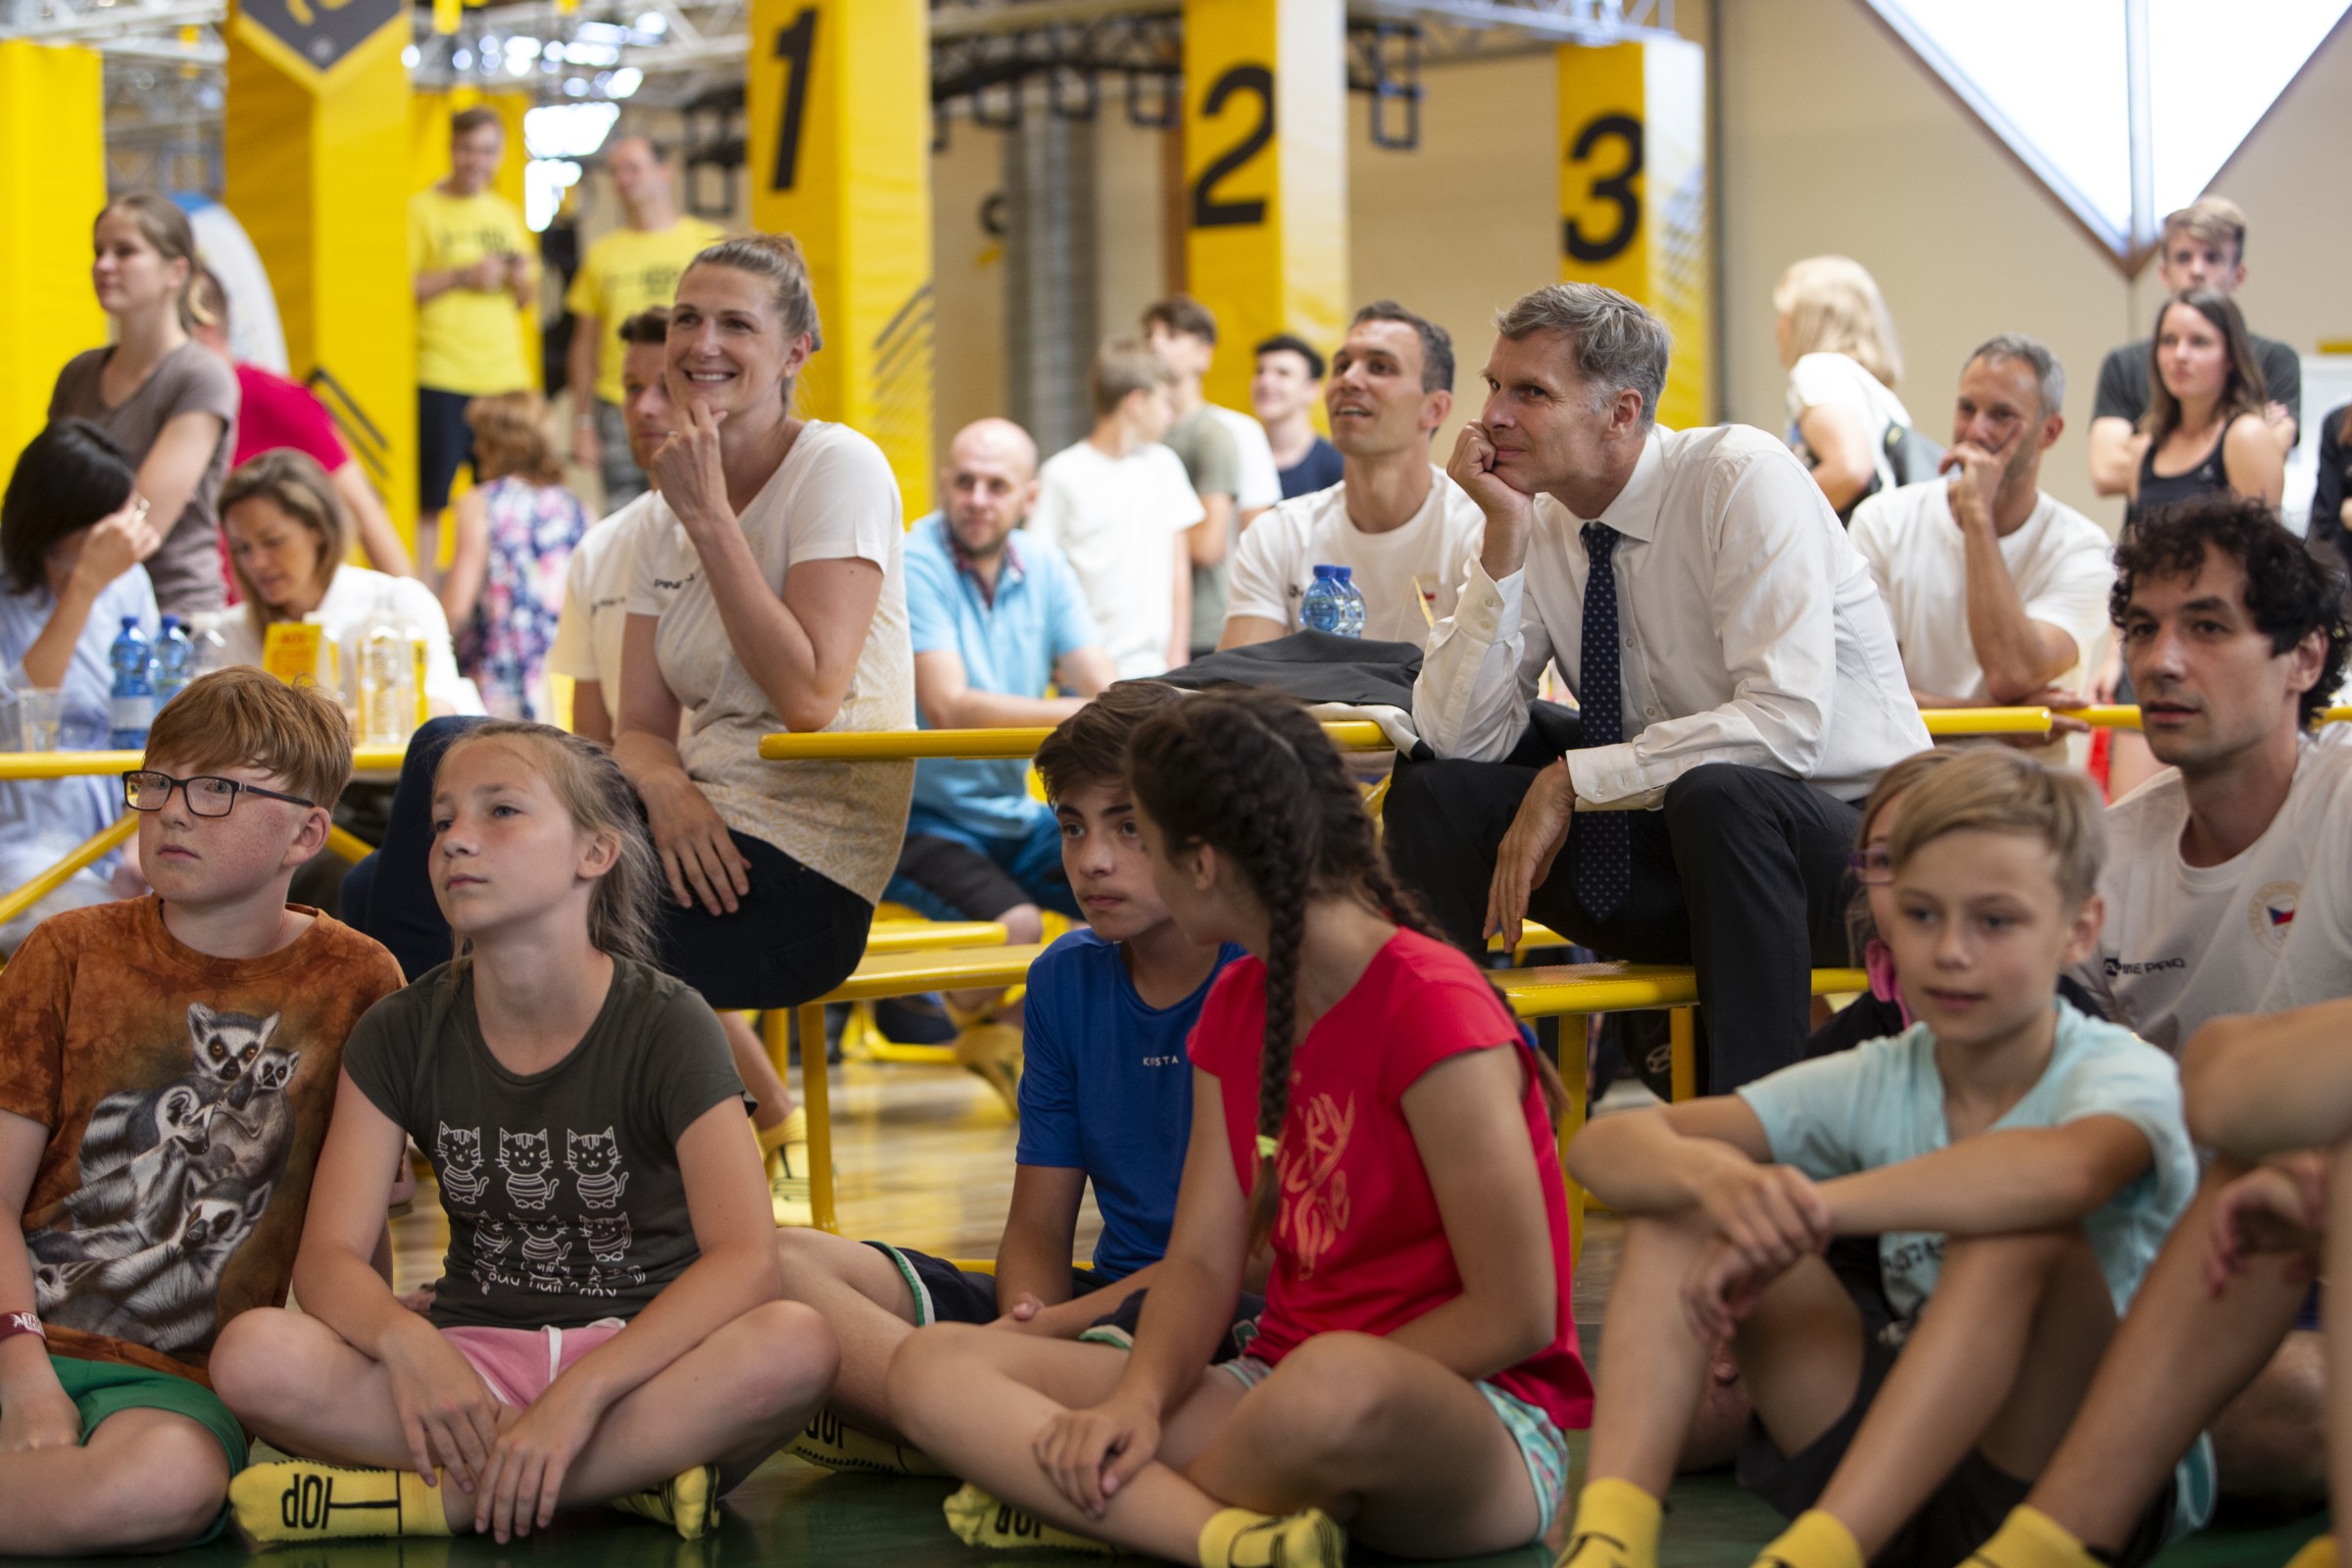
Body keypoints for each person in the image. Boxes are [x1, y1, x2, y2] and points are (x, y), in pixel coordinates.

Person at [887, 688, 1590, 1568]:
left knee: (1334, 1381)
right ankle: (1226, 1538)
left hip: (1469, 1417)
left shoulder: (1433, 1009)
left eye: (1140, 835)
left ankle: (1110, 1508)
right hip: (1272, 1378)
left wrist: (1262, 1403)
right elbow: (1201, 1264)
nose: (1103, 861)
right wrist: (1138, 1403)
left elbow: (1517, 1313)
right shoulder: (1238, 1001)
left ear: (1204, 862)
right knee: (932, 1367)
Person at [1559, 750, 2198, 1568]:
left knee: (2017, 1231)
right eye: (1923, 915)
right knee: (1681, 1198)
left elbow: (2060, 1175)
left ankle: (1822, 1549)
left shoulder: (2118, 1071)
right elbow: (1604, 1147)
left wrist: (1809, 1207)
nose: (1951, 950)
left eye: (1994, 921)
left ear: (2079, 928)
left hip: (2074, 1484)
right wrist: (1718, 1182)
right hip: (1903, 1467)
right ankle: (1609, 1542)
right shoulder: (1884, 1070)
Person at [211, 721, 836, 1545]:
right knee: (252, 1353)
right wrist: (409, 1345)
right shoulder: (398, 1031)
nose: (456, 839)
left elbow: (747, 1259)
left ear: (595, 852)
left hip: (642, 1365)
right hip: (471, 1360)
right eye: (442, 821)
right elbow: (328, 1258)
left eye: (501, 811)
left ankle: (444, 1502)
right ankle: (626, 1481)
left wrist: (583, 1395)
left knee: (795, 1343)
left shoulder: (671, 1023)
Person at [353, 233, 912, 1021]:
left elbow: (810, 696)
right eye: (688, 319)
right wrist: (667, 786)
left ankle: (424, 1072)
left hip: (797, 877)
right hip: (685, 822)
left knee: (420, 893)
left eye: (736, 324)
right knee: (427, 778)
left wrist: (709, 518)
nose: (703, 343)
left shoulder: (836, 467)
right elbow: (641, 729)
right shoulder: (662, 509)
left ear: (796, 352)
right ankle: (437, 1070)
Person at [1388, 282, 1929, 1093]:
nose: (1492, 416)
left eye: (1530, 392)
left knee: (1722, 793)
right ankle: (1456, 1097)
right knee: (1433, 787)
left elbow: (1785, 726)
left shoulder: (1740, 475)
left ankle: (1754, 1134)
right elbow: (1456, 740)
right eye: (1494, 385)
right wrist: (1503, 538)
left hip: (1854, 861)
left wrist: (1575, 779)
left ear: (1621, 412)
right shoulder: (1533, 516)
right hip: (1675, 853)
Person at [779, 683, 1243, 1473]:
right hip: (1088, 1314)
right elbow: (1037, 1224)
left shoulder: (1262, 974)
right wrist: (1031, 1324)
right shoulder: (1065, 976)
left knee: (1270, 1382)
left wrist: (1035, 1343)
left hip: (1219, 1320)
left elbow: (1246, 1264)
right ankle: (995, 1433)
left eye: (1129, 826)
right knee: (785, 1263)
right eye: (1072, 826)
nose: (1091, 860)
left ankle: (954, 1428)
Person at [1998, 494, 2352, 1524]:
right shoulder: (2105, 857)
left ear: (2303, 657)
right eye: (2145, 629)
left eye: (2206, 626)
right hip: (2188, 1247)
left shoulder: (2342, 807)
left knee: (2294, 1408)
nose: (2161, 662)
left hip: (2321, 1232)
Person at [0, 668, 404, 1553]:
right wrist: (23, 1372)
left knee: (170, 1486)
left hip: (171, 1379)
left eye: (217, 789)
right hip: (14, 1328)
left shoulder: (359, 980)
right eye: (158, 783)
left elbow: (359, 1226)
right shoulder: (65, 949)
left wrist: (352, 1383)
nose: (173, 813)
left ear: (307, 833)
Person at [886, 417, 1115, 948]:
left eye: (997, 486)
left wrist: (1116, 705)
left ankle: (1067, 996)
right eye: (965, 482)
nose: (977, 499)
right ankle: (943, 999)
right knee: (1017, 927)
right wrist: (1092, 710)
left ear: (1029, 498)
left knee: (1143, 885)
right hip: (920, 820)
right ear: (945, 484)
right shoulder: (913, 560)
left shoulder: (1044, 565)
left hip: (1012, 816)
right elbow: (948, 707)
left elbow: (1105, 687)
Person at [1847, 335, 2114, 763]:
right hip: (1906, 779)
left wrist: (1976, 514)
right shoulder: (1881, 520)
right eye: (1967, 408)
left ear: (2049, 431)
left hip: (2024, 789)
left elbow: (2012, 672)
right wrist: (2005, 722)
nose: (1975, 431)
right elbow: (1868, 696)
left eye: (2002, 415)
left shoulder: (2083, 549)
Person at [2107, 290, 2289, 798]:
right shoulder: (2145, 447)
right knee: (2130, 811)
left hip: (2217, 647)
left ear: (2230, 356)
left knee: (2220, 808)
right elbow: (2134, 566)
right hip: (2148, 644)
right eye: (2168, 341)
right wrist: (2112, 652)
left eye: (2199, 342)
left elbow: (2267, 569)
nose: (2180, 355)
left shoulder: (2246, 436)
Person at [1220, 301, 1484, 651]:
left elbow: (1490, 680)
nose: (1348, 380)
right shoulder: (1278, 533)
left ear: (1434, 408)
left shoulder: (1476, 530)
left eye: (1380, 367)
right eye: (1342, 366)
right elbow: (1239, 680)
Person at [0, 421, 161, 944]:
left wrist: (138, 840)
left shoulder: (129, 583)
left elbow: (148, 718)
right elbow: (20, 721)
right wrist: (84, 586)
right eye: (121, 517)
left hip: (118, 835)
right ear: (64, 523)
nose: (132, 530)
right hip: (23, 845)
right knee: (86, 938)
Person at [48, 192, 238, 618]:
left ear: (176, 271)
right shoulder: (78, 374)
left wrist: (51, 546)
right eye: (98, 251)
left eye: (125, 251)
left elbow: (140, 526)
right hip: (74, 606)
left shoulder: (199, 376)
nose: (103, 265)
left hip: (172, 614)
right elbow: (44, 494)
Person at [214, 450, 479, 718]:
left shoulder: (398, 602)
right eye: (241, 548)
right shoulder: (228, 630)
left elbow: (446, 708)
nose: (256, 562)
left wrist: (336, 725)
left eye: (273, 541)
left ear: (319, 528)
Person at [188, 269, 412, 579]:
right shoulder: (158, 406)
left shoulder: (275, 398)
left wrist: (412, 602)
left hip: (260, 603)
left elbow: (364, 510)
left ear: (206, 328)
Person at [2088, 197, 2300, 498]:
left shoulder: (2275, 358)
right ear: (2164, 272)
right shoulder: (2124, 363)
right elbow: (2106, 472)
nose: (2197, 270)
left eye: (2212, 258)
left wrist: (2146, 448)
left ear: (2238, 274)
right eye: (2184, 257)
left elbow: (2268, 455)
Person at [564, 136, 722, 509]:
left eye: (633, 168)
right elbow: (584, 345)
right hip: (618, 403)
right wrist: (582, 423)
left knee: (691, 506)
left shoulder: (707, 243)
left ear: (664, 171)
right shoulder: (602, 254)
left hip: (688, 398)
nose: (623, 179)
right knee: (625, 512)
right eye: (616, 171)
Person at [1028, 339, 1202, 679]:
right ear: (1136, 403)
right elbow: (1040, 573)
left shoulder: (1164, 465)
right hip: (1085, 672)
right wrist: (1055, 660)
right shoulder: (1062, 474)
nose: (1169, 416)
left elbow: (1179, 568)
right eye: (1164, 402)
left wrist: (1177, 652)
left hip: (1156, 669)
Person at [412, 106, 537, 548]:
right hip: (441, 373)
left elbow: (525, 299)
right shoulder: (420, 209)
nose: (476, 161)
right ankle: (423, 587)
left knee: (508, 498)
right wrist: (464, 275)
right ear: (451, 148)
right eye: (467, 149)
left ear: (499, 155)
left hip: (504, 378)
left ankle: (499, 583)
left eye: (486, 151)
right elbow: (405, 287)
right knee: (431, 501)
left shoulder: (506, 214)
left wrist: (518, 279)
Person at [551, 307, 673, 749]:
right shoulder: (599, 548)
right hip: (631, 786)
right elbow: (592, 746)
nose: (643, 408)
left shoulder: (747, 531)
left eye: (667, 388)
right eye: (632, 388)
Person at [1145, 297, 1283, 658]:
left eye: (1172, 335)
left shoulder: (1236, 432)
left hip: (1210, 619)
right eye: (1149, 335)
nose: (1155, 343)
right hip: (1144, 619)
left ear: (1203, 354)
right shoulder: (1138, 438)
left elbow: (1254, 539)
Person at [441, 391, 588, 721]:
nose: (475, 448)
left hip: (500, 679)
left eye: (480, 437)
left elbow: (457, 606)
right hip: (564, 679)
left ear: (497, 443)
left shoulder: (481, 503)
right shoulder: (578, 509)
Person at [1773, 256, 1912, 520]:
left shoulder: (1817, 370)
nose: (1777, 328)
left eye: (1783, 315)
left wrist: (1775, 516)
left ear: (1807, 321)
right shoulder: (1874, 391)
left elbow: (1850, 469)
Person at [1252, 334, 1344, 501]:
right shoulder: (1240, 458)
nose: (1265, 381)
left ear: (1311, 390)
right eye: (1260, 371)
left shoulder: (1336, 465)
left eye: (1283, 373)